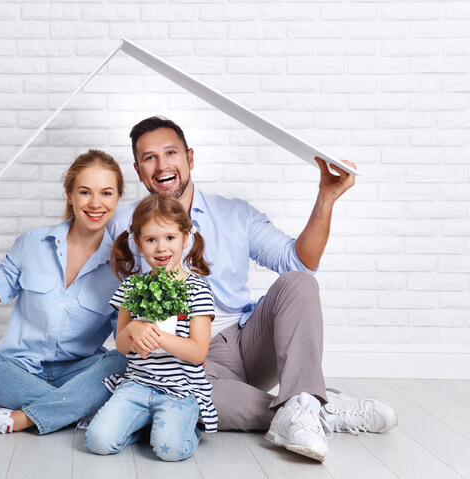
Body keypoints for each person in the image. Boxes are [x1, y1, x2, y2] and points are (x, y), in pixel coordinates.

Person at [107, 116, 397, 462]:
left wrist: (326, 198)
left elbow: (300, 262)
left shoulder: (235, 214)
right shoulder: (124, 227)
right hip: (191, 362)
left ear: (190, 159)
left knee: (299, 282)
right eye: (149, 158)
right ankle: (317, 410)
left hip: (249, 340)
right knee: (187, 403)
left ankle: (304, 403)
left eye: (171, 152)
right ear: (139, 171)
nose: (162, 165)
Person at [0, 149, 128, 435]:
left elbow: (125, 341)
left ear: (117, 198)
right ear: (70, 195)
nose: (95, 203)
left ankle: (18, 419)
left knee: (122, 363)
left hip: (78, 373)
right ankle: (76, 410)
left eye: (106, 193)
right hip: (19, 370)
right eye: (85, 192)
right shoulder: (32, 243)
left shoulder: (122, 267)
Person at [85, 195, 217, 462]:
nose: (161, 248)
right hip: (137, 384)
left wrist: (159, 337)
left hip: (181, 389)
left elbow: (197, 353)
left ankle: (184, 427)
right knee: (97, 441)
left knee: (170, 451)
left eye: (170, 237)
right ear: (138, 243)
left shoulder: (198, 290)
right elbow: (122, 346)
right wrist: (135, 326)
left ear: (185, 237)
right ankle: (143, 426)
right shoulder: (131, 287)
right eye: (151, 240)